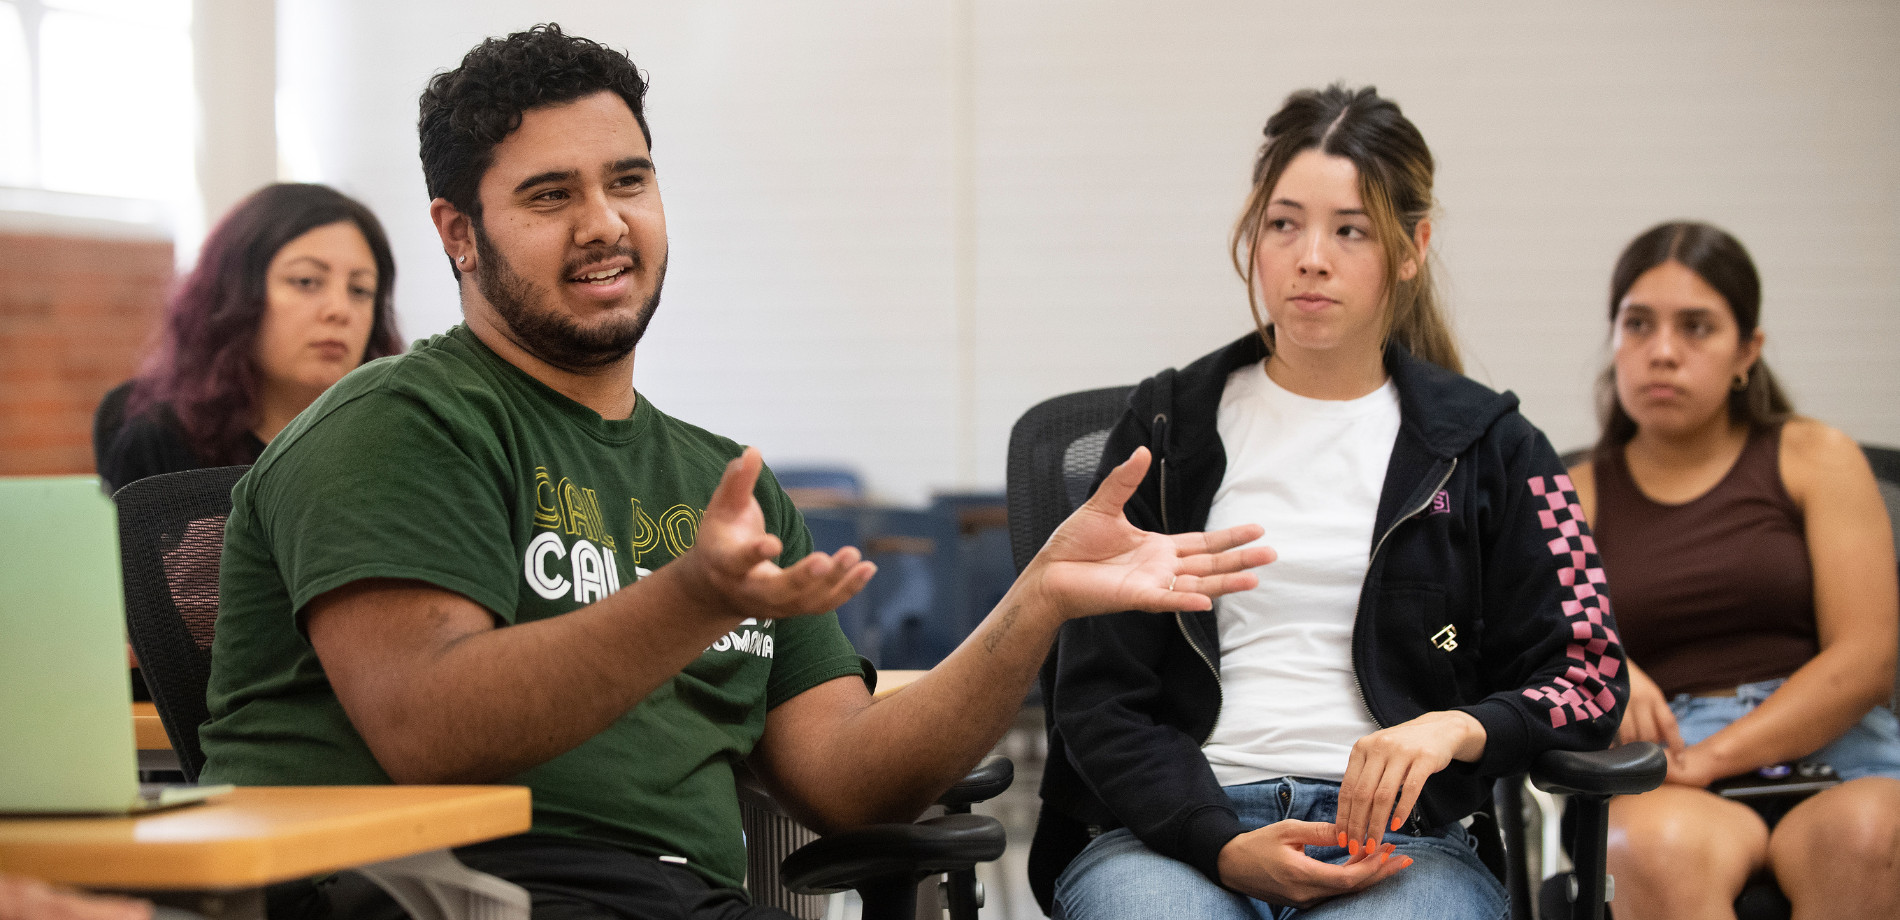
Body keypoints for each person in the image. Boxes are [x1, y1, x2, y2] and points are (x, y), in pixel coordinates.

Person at [196, 24, 1273, 920]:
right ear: (459, 235)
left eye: (629, 179)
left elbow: (850, 778)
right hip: (439, 894)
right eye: (548, 195)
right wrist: (689, 599)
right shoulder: (396, 423)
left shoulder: (725, 483)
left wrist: (1034, 600)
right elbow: (433, 727)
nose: (606, 223)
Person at [1030, 84, 1628, 920]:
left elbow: (1591, 675)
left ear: (1412, 248)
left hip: (1404, 844)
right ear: (1253, 235)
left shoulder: (1490, 444)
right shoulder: (1166, 430)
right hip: (1174, 838)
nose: (1312, 257)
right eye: (1284, 224)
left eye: (1350, 230)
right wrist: (1218, 841)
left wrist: (1456, 727)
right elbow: (1096, 696)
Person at [1571, 221, 1900, 919]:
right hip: (1667, 768)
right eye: (1638, 325)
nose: (1663, 352)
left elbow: (1869, 658)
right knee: (1645, 847)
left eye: (1697, 327)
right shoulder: (1571, 496)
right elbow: (1539, 651)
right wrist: (1610, 669)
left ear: (1747, 351)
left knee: (1875, 833)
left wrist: (1718, 753)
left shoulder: (1818, 457)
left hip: (1838, 749)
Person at [94, 183, 403, 493]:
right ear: (236, 295)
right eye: (306, 281)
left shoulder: (396, 444)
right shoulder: (159, 442)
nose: (339, 310)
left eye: (360, 290)